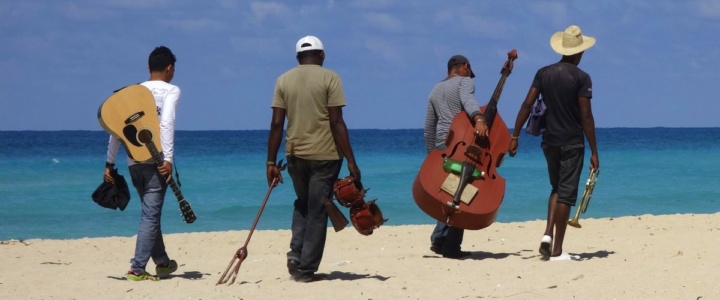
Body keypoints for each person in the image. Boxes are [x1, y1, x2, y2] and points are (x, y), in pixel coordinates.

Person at [266, 35, 362, 282]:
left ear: (298, 57)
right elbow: (336, 121)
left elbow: (277, 124)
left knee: (303, 202)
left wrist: (270, 162)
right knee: (319, 209)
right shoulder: (330, 77)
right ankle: (306, 269)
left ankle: (296, 255)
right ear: (321, 55)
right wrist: (351, 160)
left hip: (294, 155)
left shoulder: (283, 80)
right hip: (325, 155)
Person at [508, 25, 600, 261]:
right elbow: (586, 116)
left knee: (556, 189)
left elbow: (526, 104)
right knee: (567, 195)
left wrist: (515, 135)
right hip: (571, 142)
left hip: (549, 141)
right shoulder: (582, 77)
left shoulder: (543, 73)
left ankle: (547, 234)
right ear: (579, 52)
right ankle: (557, 250)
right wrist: (594, 150)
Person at [103, 46, 180, 280]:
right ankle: (136, 269)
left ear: (148, 68)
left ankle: (163, 263)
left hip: (133, 162)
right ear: (169, 69)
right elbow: (166, 122)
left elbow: (116, 129)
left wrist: (109, 162)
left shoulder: (132, 91)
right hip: (156, 162)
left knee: (150, 213)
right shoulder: (171, 90)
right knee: (150, 216)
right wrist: (167, 158)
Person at [424, 55, 488, 259]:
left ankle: (439, 238)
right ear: (465, 67)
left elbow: (428, 127)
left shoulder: (435, 89)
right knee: (461, 192)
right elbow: (468, 101)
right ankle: (451, 246)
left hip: (441, 145)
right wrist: (478, 118)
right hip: (460, 142)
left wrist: (431, 155)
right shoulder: (465, 81)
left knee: (447, 192)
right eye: (469, 70)